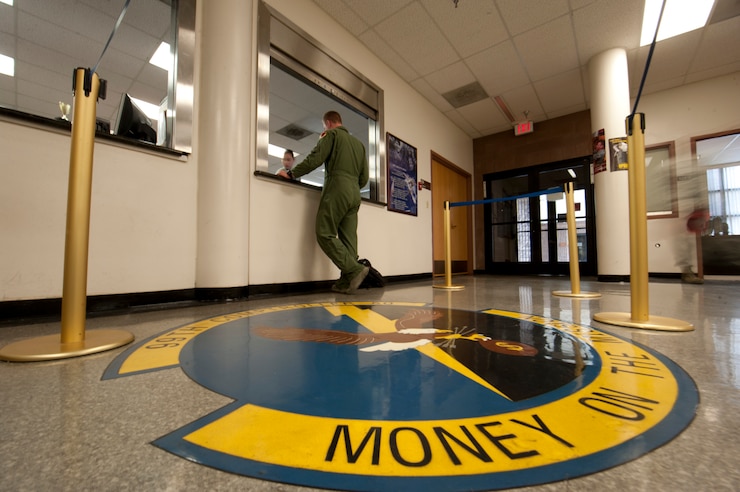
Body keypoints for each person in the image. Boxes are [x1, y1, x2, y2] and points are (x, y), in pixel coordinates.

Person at [278, 111, 370, 294]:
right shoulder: (359, 145)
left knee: (324, 232)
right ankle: (346, 282)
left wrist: (291, 174)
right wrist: (352, 187)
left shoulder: (332, 135)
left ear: (328, 123)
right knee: (348, 239)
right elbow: (365, 178)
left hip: (337, 188)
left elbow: (315, 158)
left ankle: (353, 269)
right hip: (354, 193)